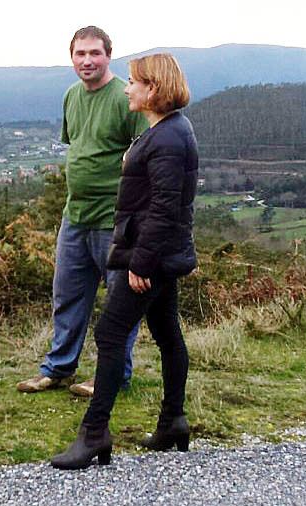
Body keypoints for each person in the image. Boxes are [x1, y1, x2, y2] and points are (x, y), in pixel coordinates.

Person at [51, 53, 198, 469]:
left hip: (151, 257)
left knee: (111, 333)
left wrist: (140, 264)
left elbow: (164, 209)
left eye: (134, 82)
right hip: (162, 255)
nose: (127, 88)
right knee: (167, 331)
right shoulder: (168, 130)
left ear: (153, 89)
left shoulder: (168, 138)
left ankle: (95, 433)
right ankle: (173, 420)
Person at [16, 26, 146, 398]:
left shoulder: (125, 98)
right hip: (75, 216)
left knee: (119, 303)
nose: (87, 61)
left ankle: (113, 376)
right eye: (80, 54)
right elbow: (79, 146)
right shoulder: (71, 96)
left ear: (109, 55)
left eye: (95, 53)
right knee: (68, 296)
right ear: (71, 57)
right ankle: (58, 369)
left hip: (115, 219)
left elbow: (143, 152)